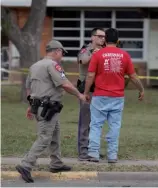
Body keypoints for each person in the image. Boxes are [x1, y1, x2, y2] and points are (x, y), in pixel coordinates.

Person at [16, 40, 86, 183]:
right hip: (48, 107)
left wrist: (31, 105)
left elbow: (30, 88)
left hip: (39, 106)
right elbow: (64, 84)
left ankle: (56, 163)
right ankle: (26, 165)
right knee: (44, 138)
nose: (62, 55)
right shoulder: (53, 65)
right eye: (62, 52)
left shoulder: (35, 65)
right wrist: (79, 95)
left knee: (55, 133)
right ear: (57, 51)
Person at [84, 28, 144, 163]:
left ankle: (93, 153)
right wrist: (141, 89)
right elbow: (133, 76)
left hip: (99, 95)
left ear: (105, 39)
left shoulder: (98, 55)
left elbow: (90, 75)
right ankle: (112, 155)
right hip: (117, 96)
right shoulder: (125, 55)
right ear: (118, 40)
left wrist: (86, 92)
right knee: (115, 126)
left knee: (96, 125)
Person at [77, 28, 106, 161]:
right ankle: (83, 152)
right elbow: (82, 61)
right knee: (85, 121)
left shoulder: (105, 50)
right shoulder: (85, 49)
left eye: (104, 36)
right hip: (86, 90)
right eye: (99, 36)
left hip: (100, 90)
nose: (102, 39)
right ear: (92, 37)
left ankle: (93, 150)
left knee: (96, 122)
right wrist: (94, 54)